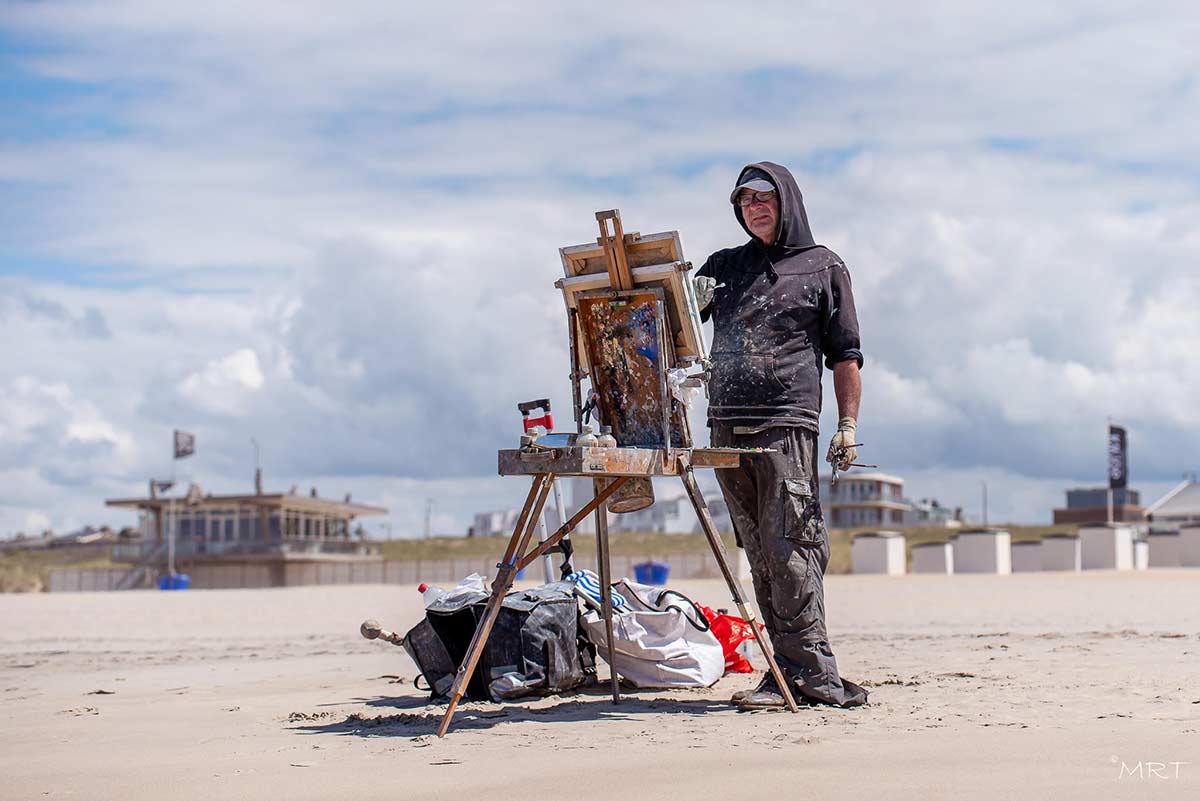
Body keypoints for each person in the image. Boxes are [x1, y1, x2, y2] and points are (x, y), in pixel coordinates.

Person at [694, 161, 868, 710]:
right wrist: (683, 293)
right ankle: (784, 672)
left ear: (787, 200)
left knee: (792, 545)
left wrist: (847, 425)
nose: (753, 207)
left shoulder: (823, 266)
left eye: (763, 198)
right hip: (726, 425)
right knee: (759, 553)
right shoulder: (723, 267)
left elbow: (845, 355)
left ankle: (813, 675)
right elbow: (672, 325)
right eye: (743, 201)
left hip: (786, 424)